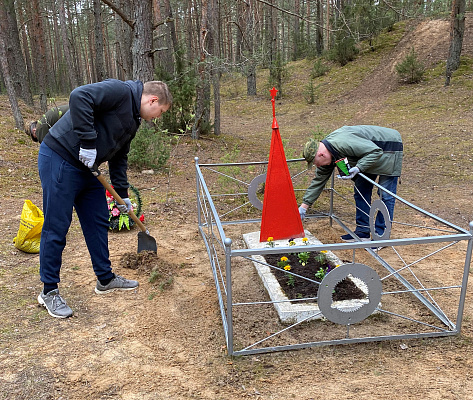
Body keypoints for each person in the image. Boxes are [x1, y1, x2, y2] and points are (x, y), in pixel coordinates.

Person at [37, 79, 172, 318]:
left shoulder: (134, 119)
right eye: (159, 112)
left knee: (98, 221)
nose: (156, 118)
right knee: (57, 225)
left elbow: (120, 156)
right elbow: (79, 96)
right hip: (60, 157)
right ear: (152, 100)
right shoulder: (120, 92)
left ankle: (105, 279)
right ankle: (49, 291)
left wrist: (122, 195)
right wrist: (88, 143)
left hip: (87, 168)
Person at [299, 125, 403, 243]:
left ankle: (381, 236)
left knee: (386, 196)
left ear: (321, 155)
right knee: (361, 191)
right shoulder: (329, 153)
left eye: (315, 163)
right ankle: (363, 232)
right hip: (366, 155)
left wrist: (359, 167)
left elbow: (375, 151)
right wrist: (304, 207)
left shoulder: (343, 142)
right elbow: (318, 181)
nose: (317, 166)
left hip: (389, 150)